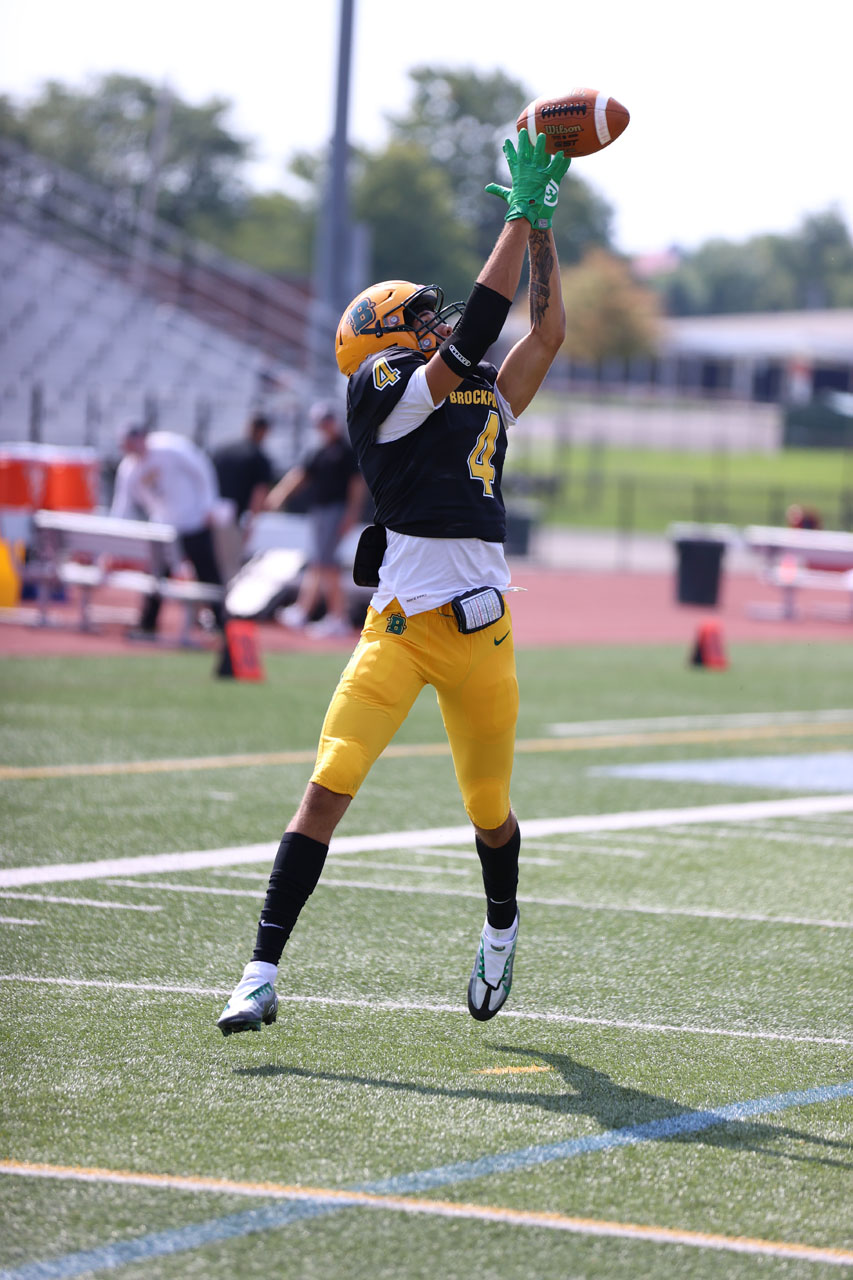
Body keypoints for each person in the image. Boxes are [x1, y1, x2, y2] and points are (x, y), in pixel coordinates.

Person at [217, 129, 570, 1036]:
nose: (438, 323)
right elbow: (485, 325)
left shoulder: (482, 389)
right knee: (328, 784)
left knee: (490, 813)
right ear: (385, 338)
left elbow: (546, 333)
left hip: (483, 637)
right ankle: (259, 971)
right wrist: (518, 212)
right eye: (422, 317)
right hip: (402, 629)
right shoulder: (381, 383)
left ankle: (500, 929)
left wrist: (540, 235)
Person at [110, 425, 226, 636]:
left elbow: (201, 468)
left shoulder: (170, 447)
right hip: (164, 528)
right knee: (157, 576)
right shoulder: (129, 469)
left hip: (193, 522)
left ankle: (222, 623)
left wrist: (209, 505)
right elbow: (123, 506)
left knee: (207, 574)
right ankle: (148, 623)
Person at [267, 401, 367, 638]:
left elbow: (356, 485)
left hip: (336, 510)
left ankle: (337, 616)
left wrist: (351, 514)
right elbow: (300, 475)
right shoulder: (319, 451)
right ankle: (304, 610)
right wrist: (280, 494)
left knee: (327, 564)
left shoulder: (344, 450)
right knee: (319, 562)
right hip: (321, 511)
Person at [211, 413, 275, 524]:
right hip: (236, 518)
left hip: (213, 514)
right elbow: (259, 493)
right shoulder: (258, 458)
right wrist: (251, 523)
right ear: (263, 431)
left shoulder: (223, 450)